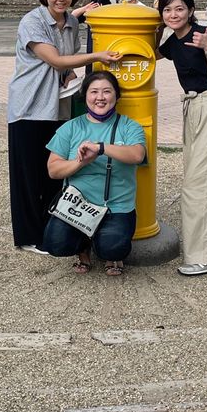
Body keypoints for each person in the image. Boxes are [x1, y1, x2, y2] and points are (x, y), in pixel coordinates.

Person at [7, 0, 121, 254]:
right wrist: (97, 56)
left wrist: (72, 76)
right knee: (29, 174)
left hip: (58, 108)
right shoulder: (32, 21)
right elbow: (56, 60)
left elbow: (66, 65)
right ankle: (29, 237)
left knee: (53, 174)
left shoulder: (71, 22)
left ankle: (52, 231)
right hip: (30, 107)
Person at [156, 0, 207, 277]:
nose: (173, 14)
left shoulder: (202, 35)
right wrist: (151, 23)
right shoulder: (173, 40)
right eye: (167, 10)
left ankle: (204, 257)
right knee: (205, 178)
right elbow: (150, 54)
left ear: (190, 9)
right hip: (193, 108)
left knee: (201, 185)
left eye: (178, 8)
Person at [42, 72, 147, 276]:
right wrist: (79, 162)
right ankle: (83, 248)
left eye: (107, 91)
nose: (100, 97)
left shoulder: (129, 126)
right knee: (55, 244)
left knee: (113, 247)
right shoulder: (71, 127)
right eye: (94, 92)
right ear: (85, 95)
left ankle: (109, 251)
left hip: (115, 206)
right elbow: (53, 170)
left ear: (116, 96)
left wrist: (101, 148)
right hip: (77, 206)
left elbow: (137, 155)